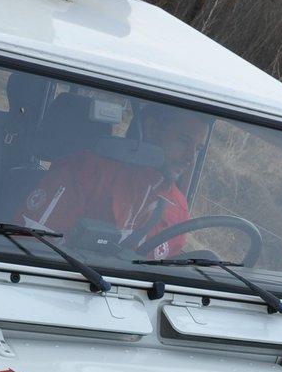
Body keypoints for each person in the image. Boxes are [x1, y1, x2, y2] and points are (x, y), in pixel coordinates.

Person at [18, 105, 209, 260]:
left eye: (198, 149)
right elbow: (26, 250)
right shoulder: (83, 173)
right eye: (184, 141)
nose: (190, 158)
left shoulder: (179, 210)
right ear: (152, 129)